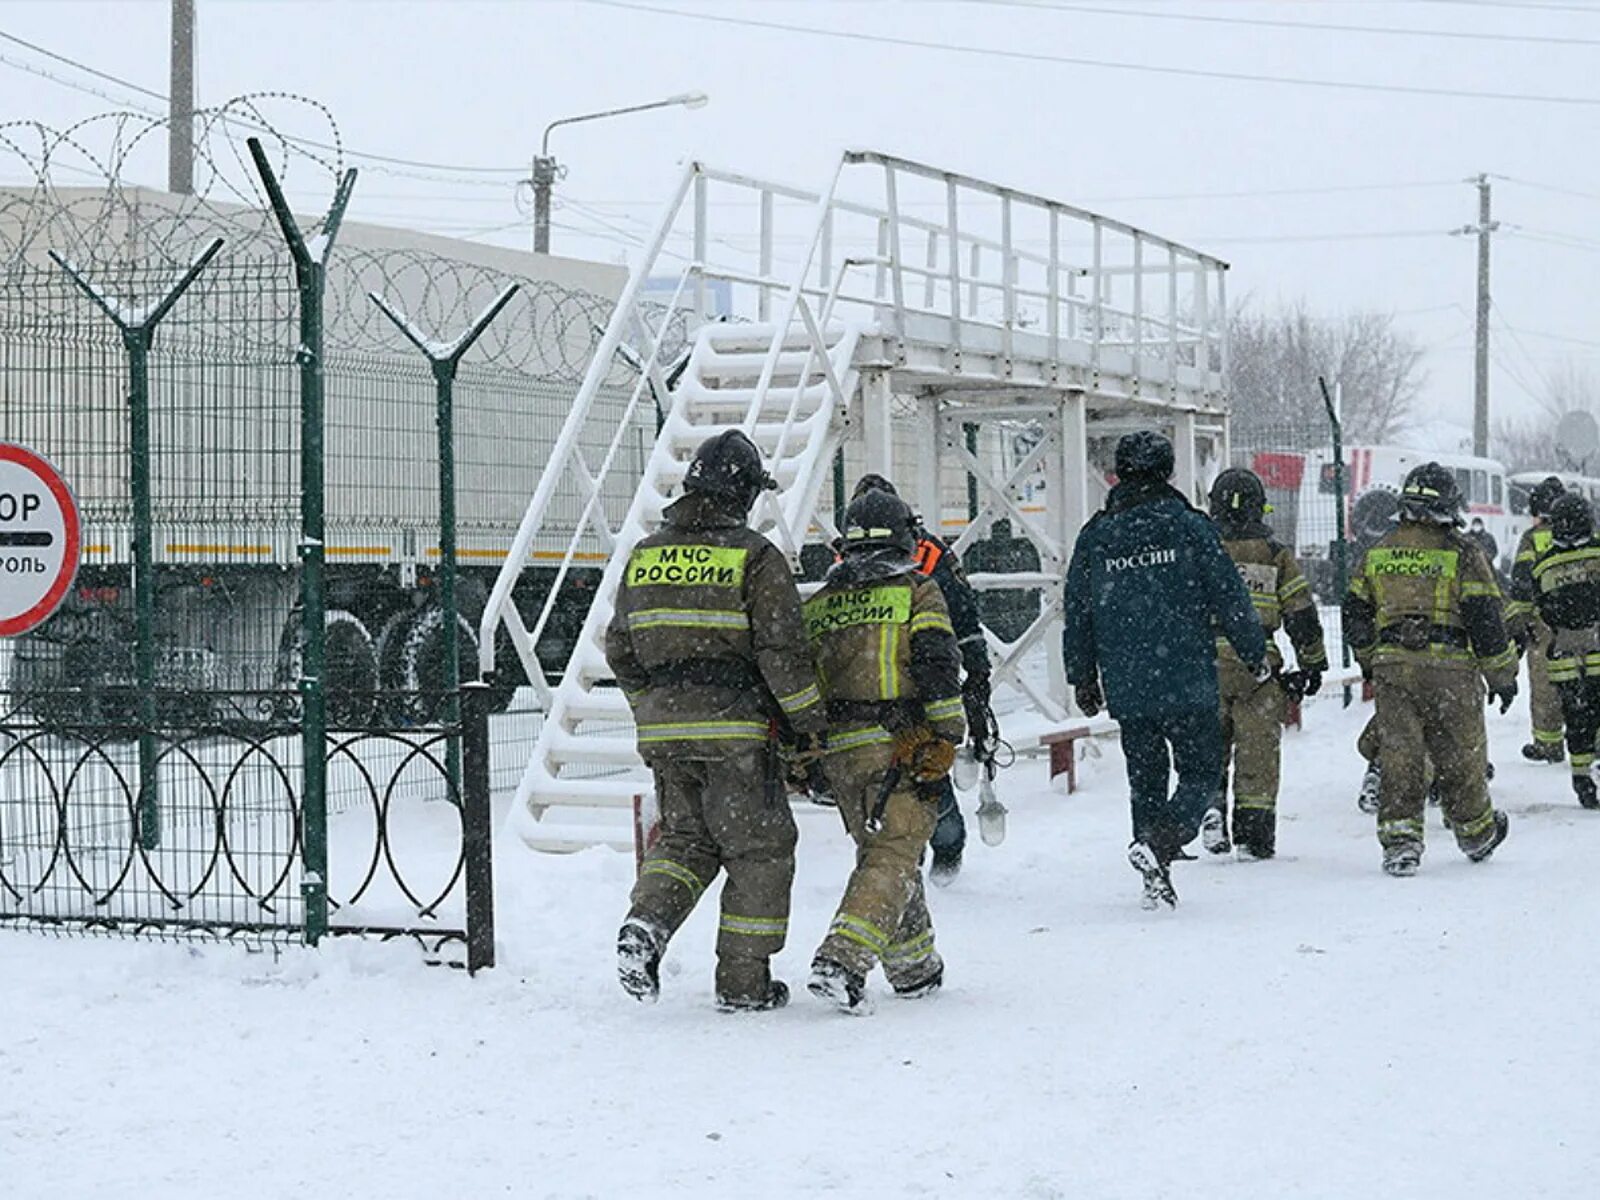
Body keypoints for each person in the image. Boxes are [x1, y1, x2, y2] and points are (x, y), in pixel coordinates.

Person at [605, 429, 828, 1013]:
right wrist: (810, 727)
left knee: (685, 840)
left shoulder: (646, 554)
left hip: (665, 732)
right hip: (734, 733)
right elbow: (783, 657)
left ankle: (646, 925)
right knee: (760, 848)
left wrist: (651, 710)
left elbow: (620, 648)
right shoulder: (755, 557)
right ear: (744, 494)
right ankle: (743, 982)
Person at [1062, 431, 1266, 910]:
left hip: (1128, 680)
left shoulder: (1097, 535)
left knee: (1146, 779)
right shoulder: (1190, 527)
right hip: (1186, 674)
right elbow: (1228, 595)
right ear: (1169, 472)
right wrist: (1253, 651)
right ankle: (1161, 845)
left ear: (1119, 472)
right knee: (1201, 771)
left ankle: (1154, 870)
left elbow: (1078, 609)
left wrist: (1083, 675)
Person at [804, 488, 965, 1012]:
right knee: (894, 856)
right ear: (906, 540)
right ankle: (842, 959)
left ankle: (915, 968)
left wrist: (803, 757)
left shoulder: (819, 604)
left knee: (885, 854)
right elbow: (938, 665)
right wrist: (947, 736)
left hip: (839, 753)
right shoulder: (918, 592)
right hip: (900, 746)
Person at [1342, 461, 1515, 877]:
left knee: (1400, 753)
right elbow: (1485, 618)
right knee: (1460, 752)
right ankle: (1475, 833)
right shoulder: (1464, 552)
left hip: (1393, 668)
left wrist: (1370, 659)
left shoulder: (1379, 550)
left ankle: (1401, 842)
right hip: (1450, 669)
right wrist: (1502, 676)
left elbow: (1355, 611)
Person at [850, 473, 990, 885]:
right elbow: (964, 615)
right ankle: (914, 855)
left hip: (901, 683)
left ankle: (934, 851)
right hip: (900, 683)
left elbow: (960, 617)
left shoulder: (859, 557)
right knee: (919, 772)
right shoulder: (926, 553)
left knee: (922, 771)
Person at [1203, 468, 1328, 860]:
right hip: (1256, 669)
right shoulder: (1274, 555)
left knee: (1208, 748)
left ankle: (1209, 807)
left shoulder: (1200, 549)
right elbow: (1300, 613)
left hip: (1203, 666)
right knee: (1257, 753)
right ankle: (1253, 836)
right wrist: (1312, 664)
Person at [1527, 493, 1600, 809]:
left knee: (1577, 715)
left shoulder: (1543, 564)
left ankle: (1582, 776)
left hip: (1563, 655)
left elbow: (1540, 608)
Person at [1508, 476, 1570, 764]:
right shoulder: (1589, 532)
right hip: (1585, 621)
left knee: (1545, 684)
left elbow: (1521, 581)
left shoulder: (1534, 539)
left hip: (1544, 621)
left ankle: (1548, 744)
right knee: (1588, 681)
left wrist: (1519, 623)